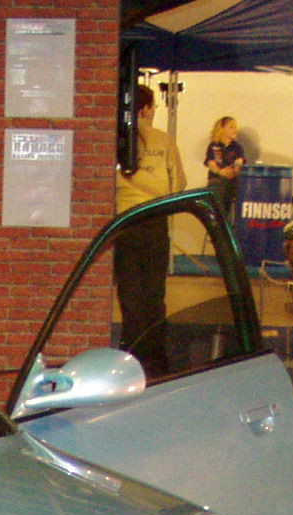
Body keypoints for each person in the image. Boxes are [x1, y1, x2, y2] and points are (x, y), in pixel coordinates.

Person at [113, 84, 186, 379]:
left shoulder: (116, 140)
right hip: (154, 220)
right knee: (154, 294)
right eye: (153, 106)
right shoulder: (164, 141)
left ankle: (131, 354)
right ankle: (155, 360)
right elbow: (179, 182)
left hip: (124, 222)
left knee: (129, 293)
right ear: (144, 108)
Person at [203, 117, 245, 220]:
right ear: (222, 129)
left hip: (232, 180)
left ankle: (229, 221)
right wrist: (221, 172)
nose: (235, 130)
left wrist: (234, 171)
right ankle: (218, 218)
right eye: (231, 127)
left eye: (235, 127)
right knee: (218, 185)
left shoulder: (237, 147)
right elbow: (211, 164)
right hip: (217, 180)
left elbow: (239, 164)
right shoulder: (213, 146)